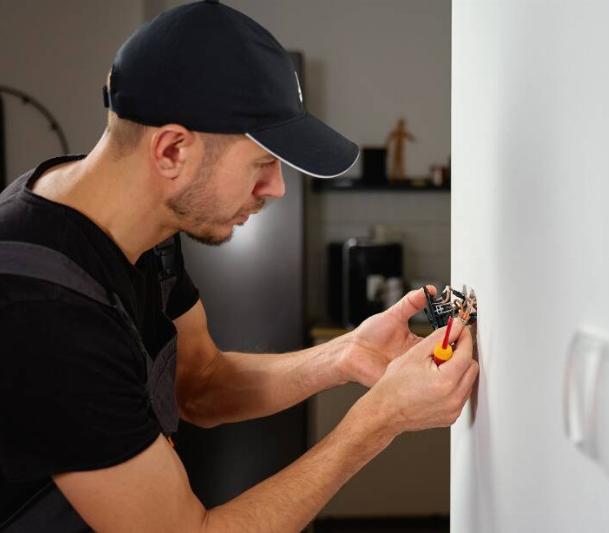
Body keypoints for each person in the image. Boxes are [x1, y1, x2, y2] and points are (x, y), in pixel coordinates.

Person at [0, 2, 479, 531]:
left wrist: (345, 354)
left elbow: (200, 384)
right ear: (172, 151)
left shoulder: (139, 224)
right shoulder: (44, 305)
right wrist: (380, 420)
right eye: (262, 162)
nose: (276, 188)